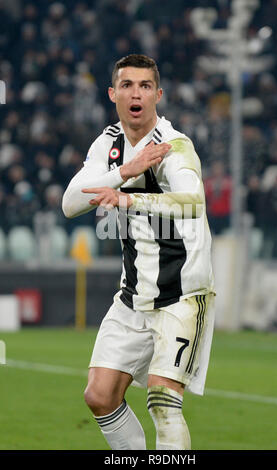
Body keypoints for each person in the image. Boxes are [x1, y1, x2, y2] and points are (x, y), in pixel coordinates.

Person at [62, 54, 215, 450]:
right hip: (133, 297)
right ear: (113, 93)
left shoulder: (174, 146)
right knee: (99, 395)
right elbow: (70, 203)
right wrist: (124, 174)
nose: (136, 93)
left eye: (145, 86)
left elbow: (193, 201)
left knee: (163, 402)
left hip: (180, 295)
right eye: (127, 85)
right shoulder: (108, 144)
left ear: (158, 95)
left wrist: (130, 201)